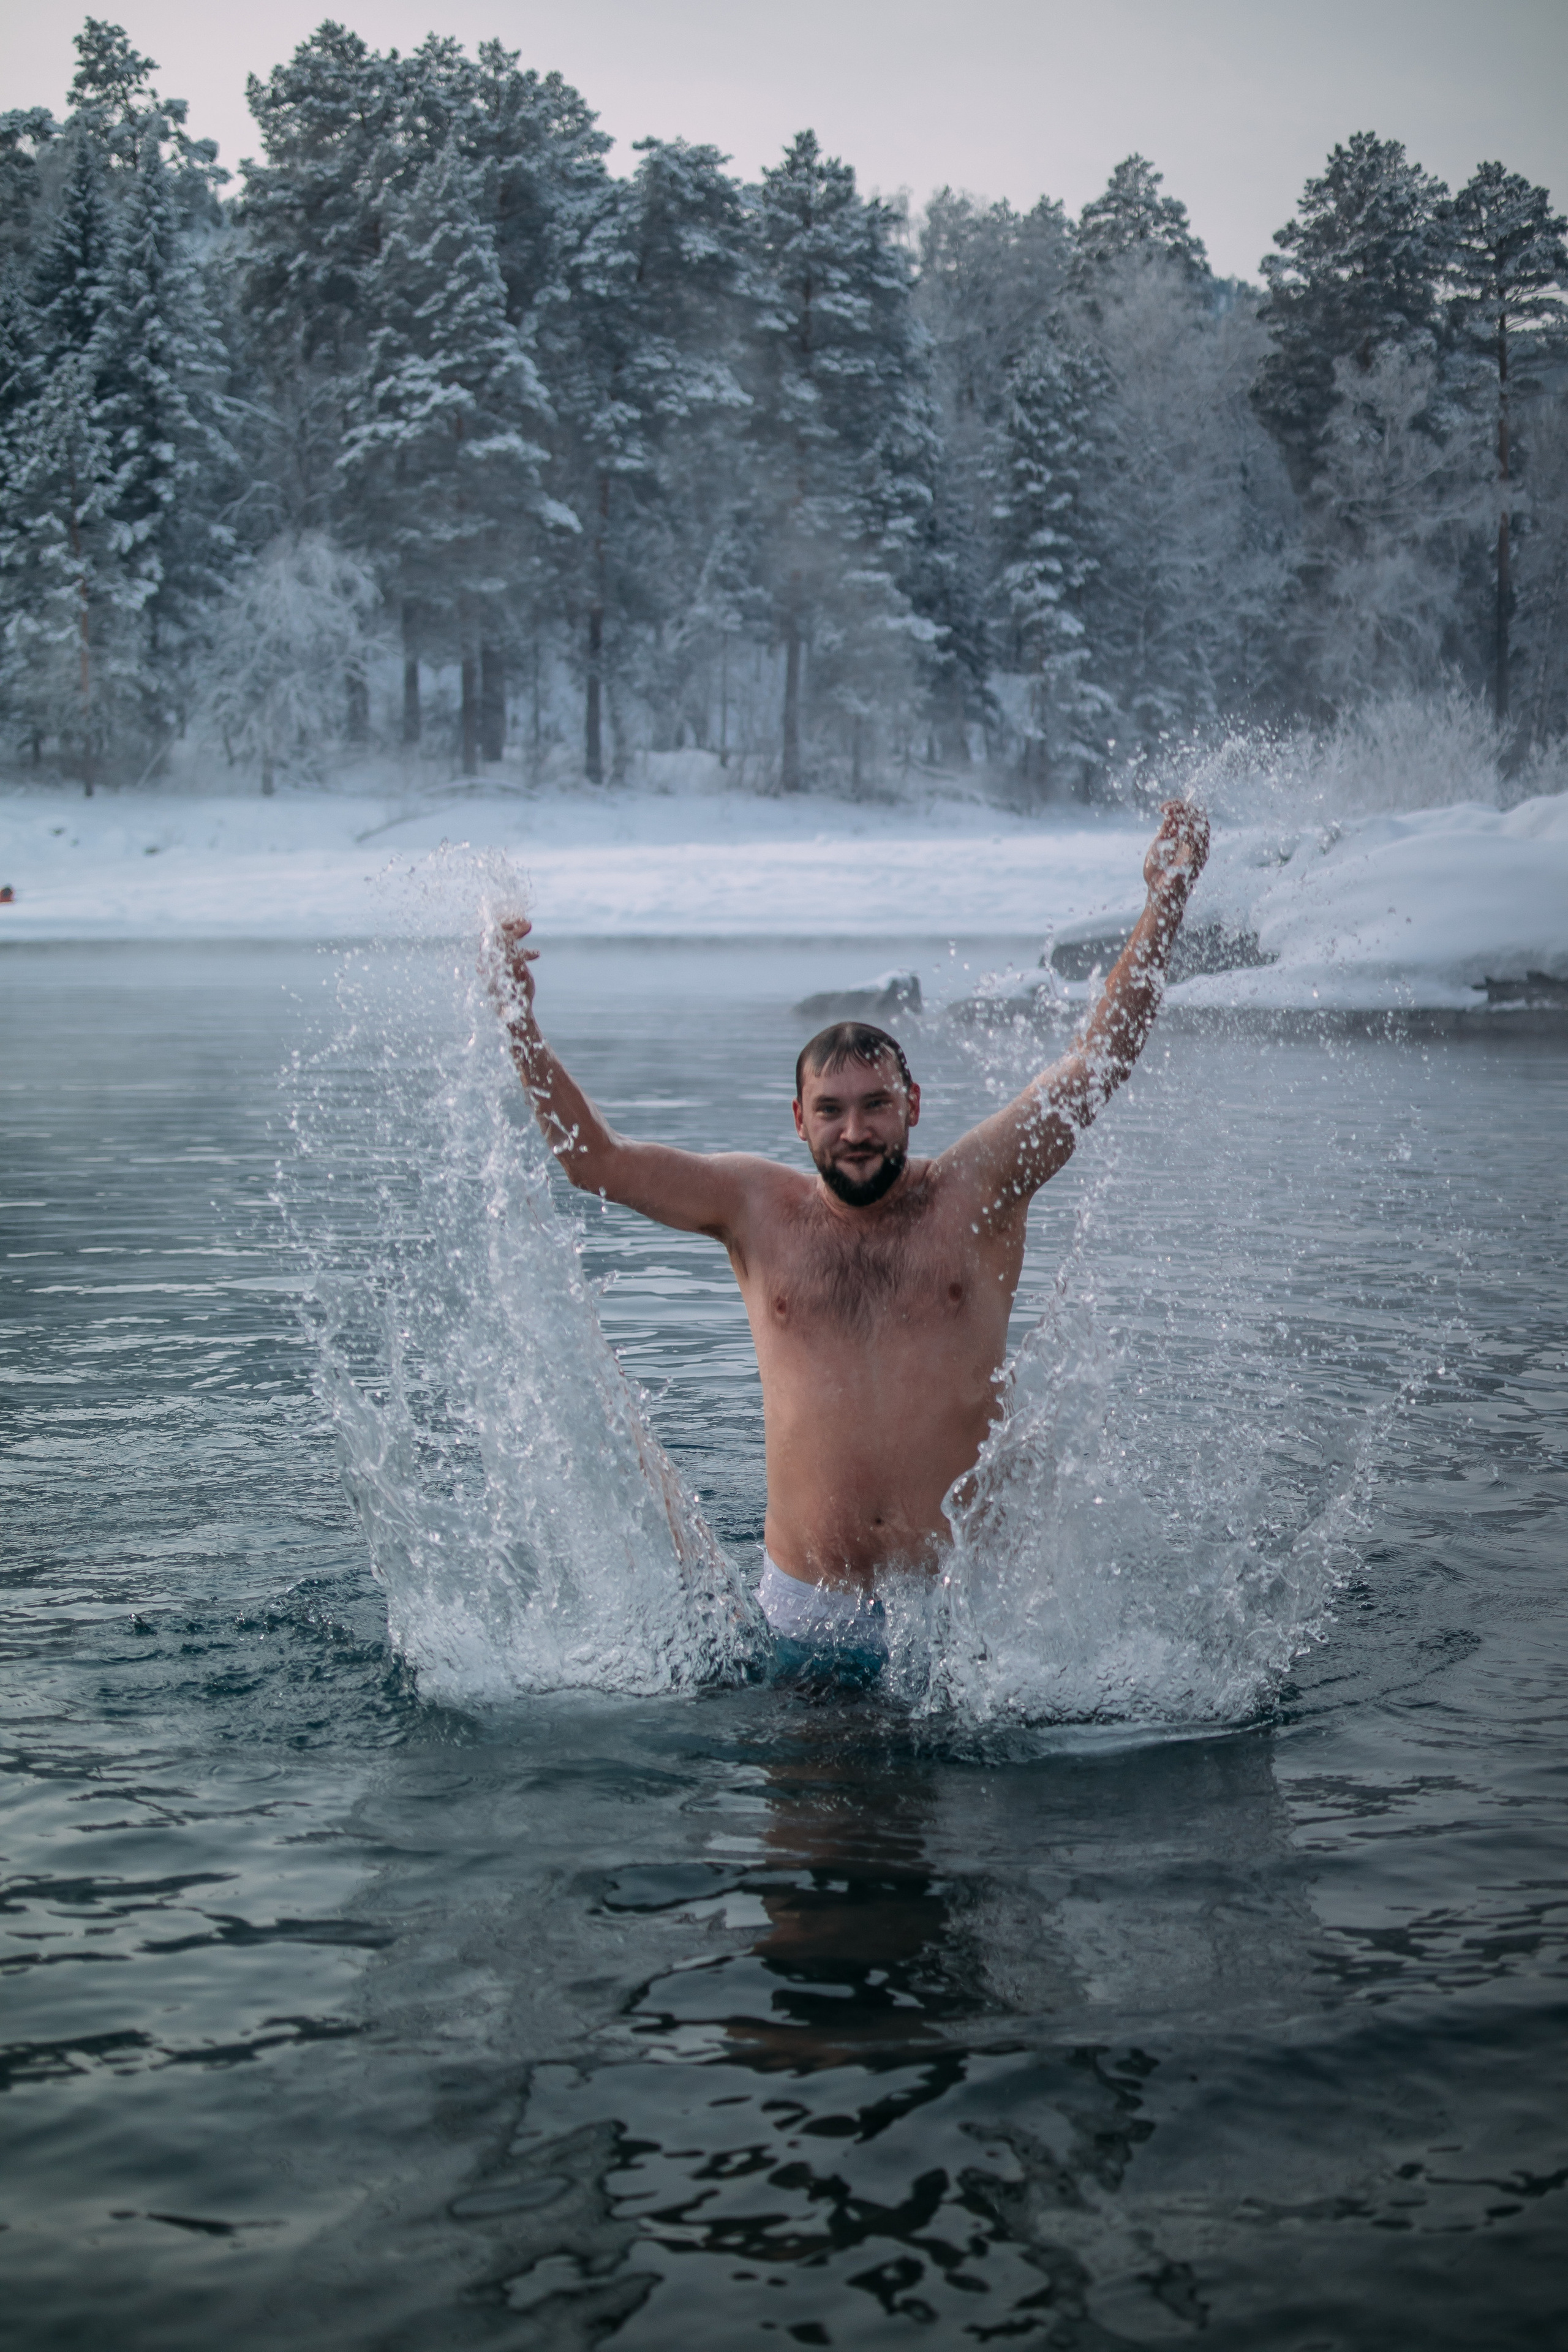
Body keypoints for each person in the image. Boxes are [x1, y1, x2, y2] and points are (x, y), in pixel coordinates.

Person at [489, 798, 1209, 1668]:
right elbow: (596, 1162)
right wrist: (519, 1028)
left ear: (912, 1107)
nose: (856, 1132)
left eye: (875, 1106)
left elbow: (1097, 1065)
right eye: (831, 1112)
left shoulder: (976, 1189)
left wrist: (1166, 899)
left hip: (957, 1616)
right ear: (799, 1120)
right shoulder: (754, 1207)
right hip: (801, 1615)